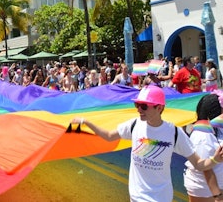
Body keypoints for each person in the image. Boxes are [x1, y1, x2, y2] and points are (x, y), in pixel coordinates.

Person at [71, 85, 223, 201]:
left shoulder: (174, 133)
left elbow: (199, 164)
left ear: (159, 108)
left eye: (144, 106)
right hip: (137, 197)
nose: (139, 110)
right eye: (137, 105)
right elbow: (110, 136)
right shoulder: (134, 125)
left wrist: (215, 159)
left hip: (161, 198)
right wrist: (86, 122)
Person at [184, 93, 223, 201]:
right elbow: (205, 168)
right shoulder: (202, 134)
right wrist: (218, 196)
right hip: (206, 190)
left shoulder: (218, 128)